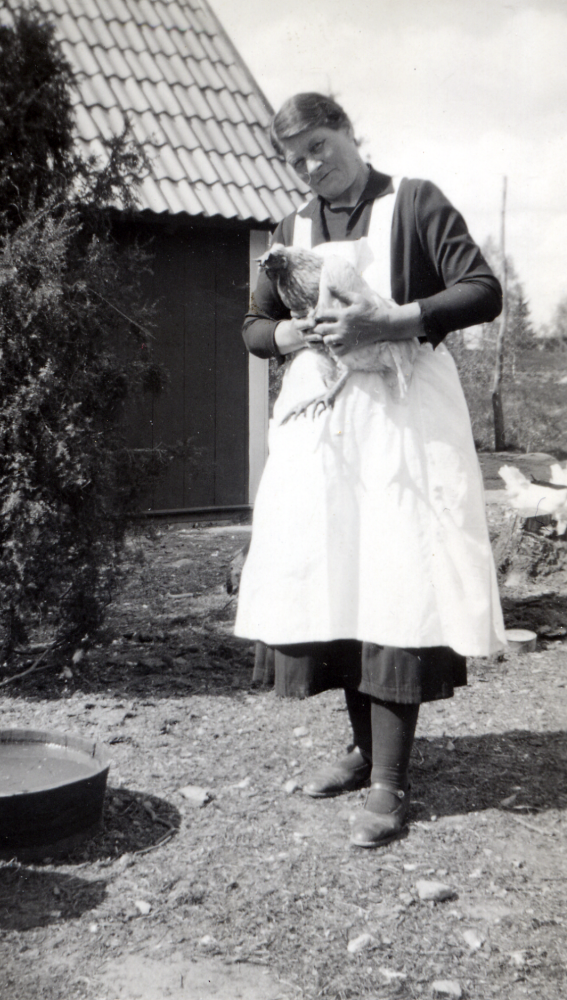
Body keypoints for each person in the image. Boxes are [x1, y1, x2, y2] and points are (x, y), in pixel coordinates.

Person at [234, 93, 506, 849]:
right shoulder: (292, 230)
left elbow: (483, 290)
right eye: (298, 160)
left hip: (402, 414)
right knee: (339, 577)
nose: (314, 166)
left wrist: (391, 320)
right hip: (324, 419)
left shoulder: (413, 204)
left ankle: (390, 782)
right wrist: (292, 331)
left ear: (349, 132)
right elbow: (255, 328)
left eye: (321, 146)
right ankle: (360, 751)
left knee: (396, 581)